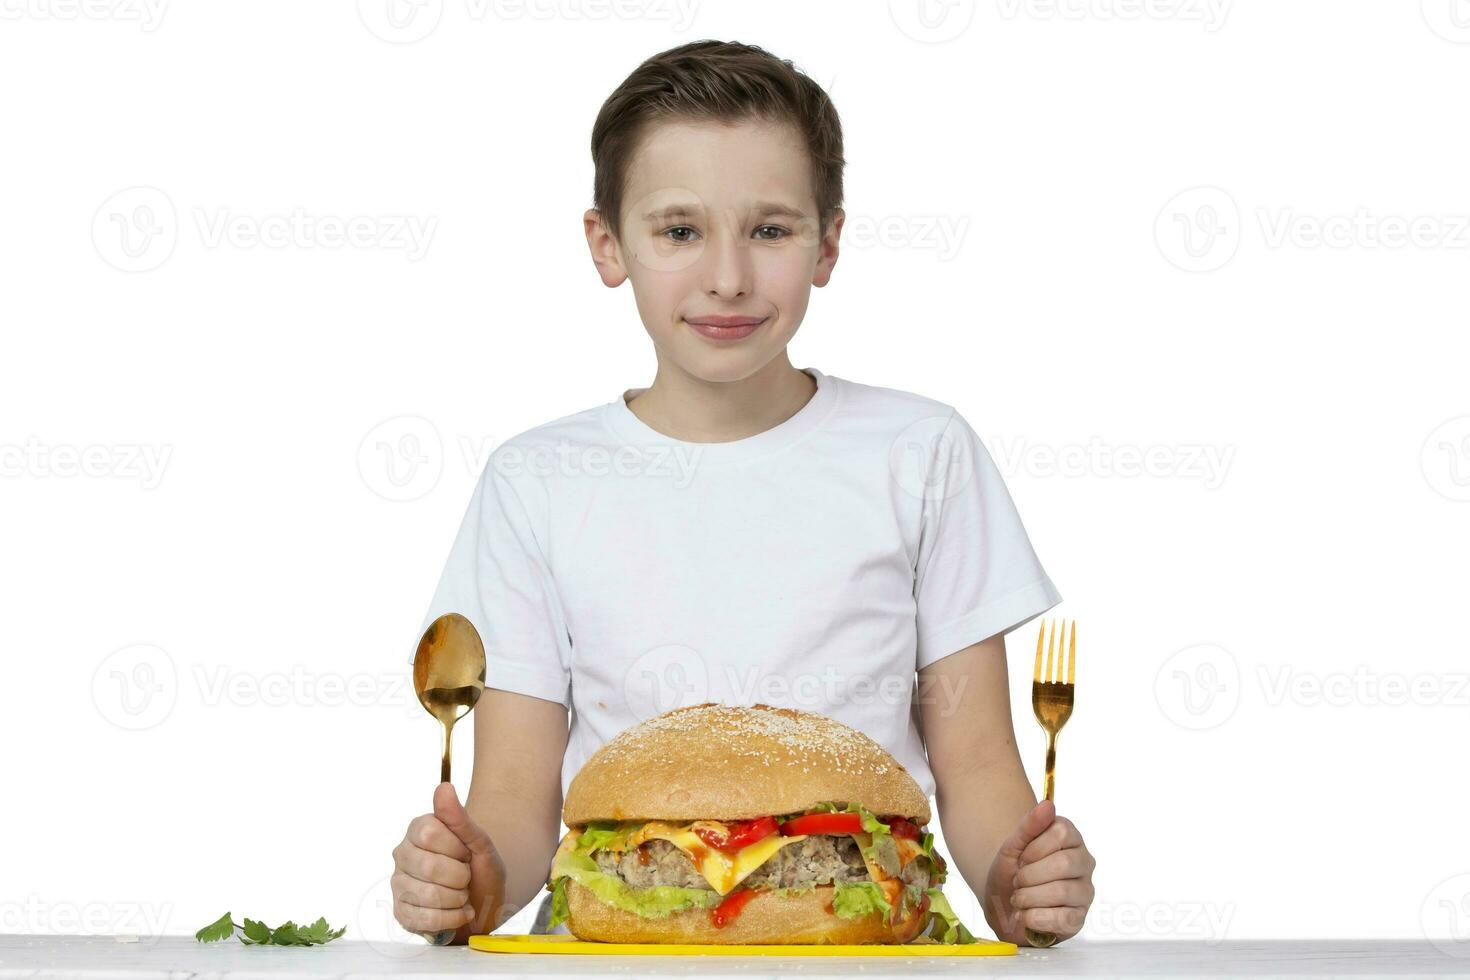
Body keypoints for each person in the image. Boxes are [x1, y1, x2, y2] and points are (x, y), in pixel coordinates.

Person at [389, 38, 1096, 947]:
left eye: (770, 229)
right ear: (608, 246)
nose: (727, 275)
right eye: (679, 230)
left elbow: (981, 771)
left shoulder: (922, 453)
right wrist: (473, 879)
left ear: (828, 243)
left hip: (873, 954)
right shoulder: (536, 481)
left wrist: (1015, 876)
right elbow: (520, 806)